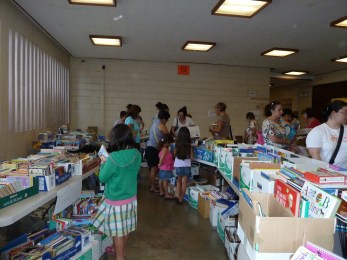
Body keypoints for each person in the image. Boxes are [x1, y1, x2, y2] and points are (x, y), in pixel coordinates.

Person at [93, 124, 141, 259]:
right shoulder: (137, 154)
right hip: (130, 199)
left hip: (115, 201)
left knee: (118, 232)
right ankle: (121, 251)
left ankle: (120, 256)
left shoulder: (112, 158)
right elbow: (136, 172)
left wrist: (103, 163)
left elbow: (102, 178)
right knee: (126, 228)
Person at [306, 100, 347, 168]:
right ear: (333, 113)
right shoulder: (317, 132)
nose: (346, 115)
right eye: (345, 112)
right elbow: (316, 158)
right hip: (328, 174)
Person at [145, 110, 171, 192]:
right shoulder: (161, 125)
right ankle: (152, 187)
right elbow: (168, 137)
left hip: (149, 147)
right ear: (164, 119)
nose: (166, 122)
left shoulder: (154, 123)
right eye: (167, 120)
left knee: (153, 168)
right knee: (154, 168)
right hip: (153, 148)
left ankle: (152, 184)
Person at [174, 127, 192, 204]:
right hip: (187, 165)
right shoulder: (189, 145)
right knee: (184, 182)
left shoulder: (177, 144)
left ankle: (177, 195)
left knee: (178, 181)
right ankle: (181, 198)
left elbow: (174, 154)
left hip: (178, 165)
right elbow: (192, 157)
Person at [157, 134, 175, 199]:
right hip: (166, 168)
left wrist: (160, 165)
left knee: (161, 180)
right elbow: (162, 158)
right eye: (170, 143)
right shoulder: (165, 149)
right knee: (165, 181)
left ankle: (161, 192)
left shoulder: (162, 148)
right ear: (167, 143)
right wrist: (160, 163)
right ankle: (166, 194)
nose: (170, 145)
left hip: (162, 168)